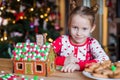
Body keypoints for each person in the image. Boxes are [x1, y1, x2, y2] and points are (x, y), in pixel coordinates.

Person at [52, 4, 109, 73]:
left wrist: (79, 66)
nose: (79, 33)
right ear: (69, 25)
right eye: (75, 27)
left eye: (84, 29)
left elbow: (105, 59)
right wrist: (63, 60)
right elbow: (45, 56)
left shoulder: (92, 43)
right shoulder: (62, 40)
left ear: (92, 28)